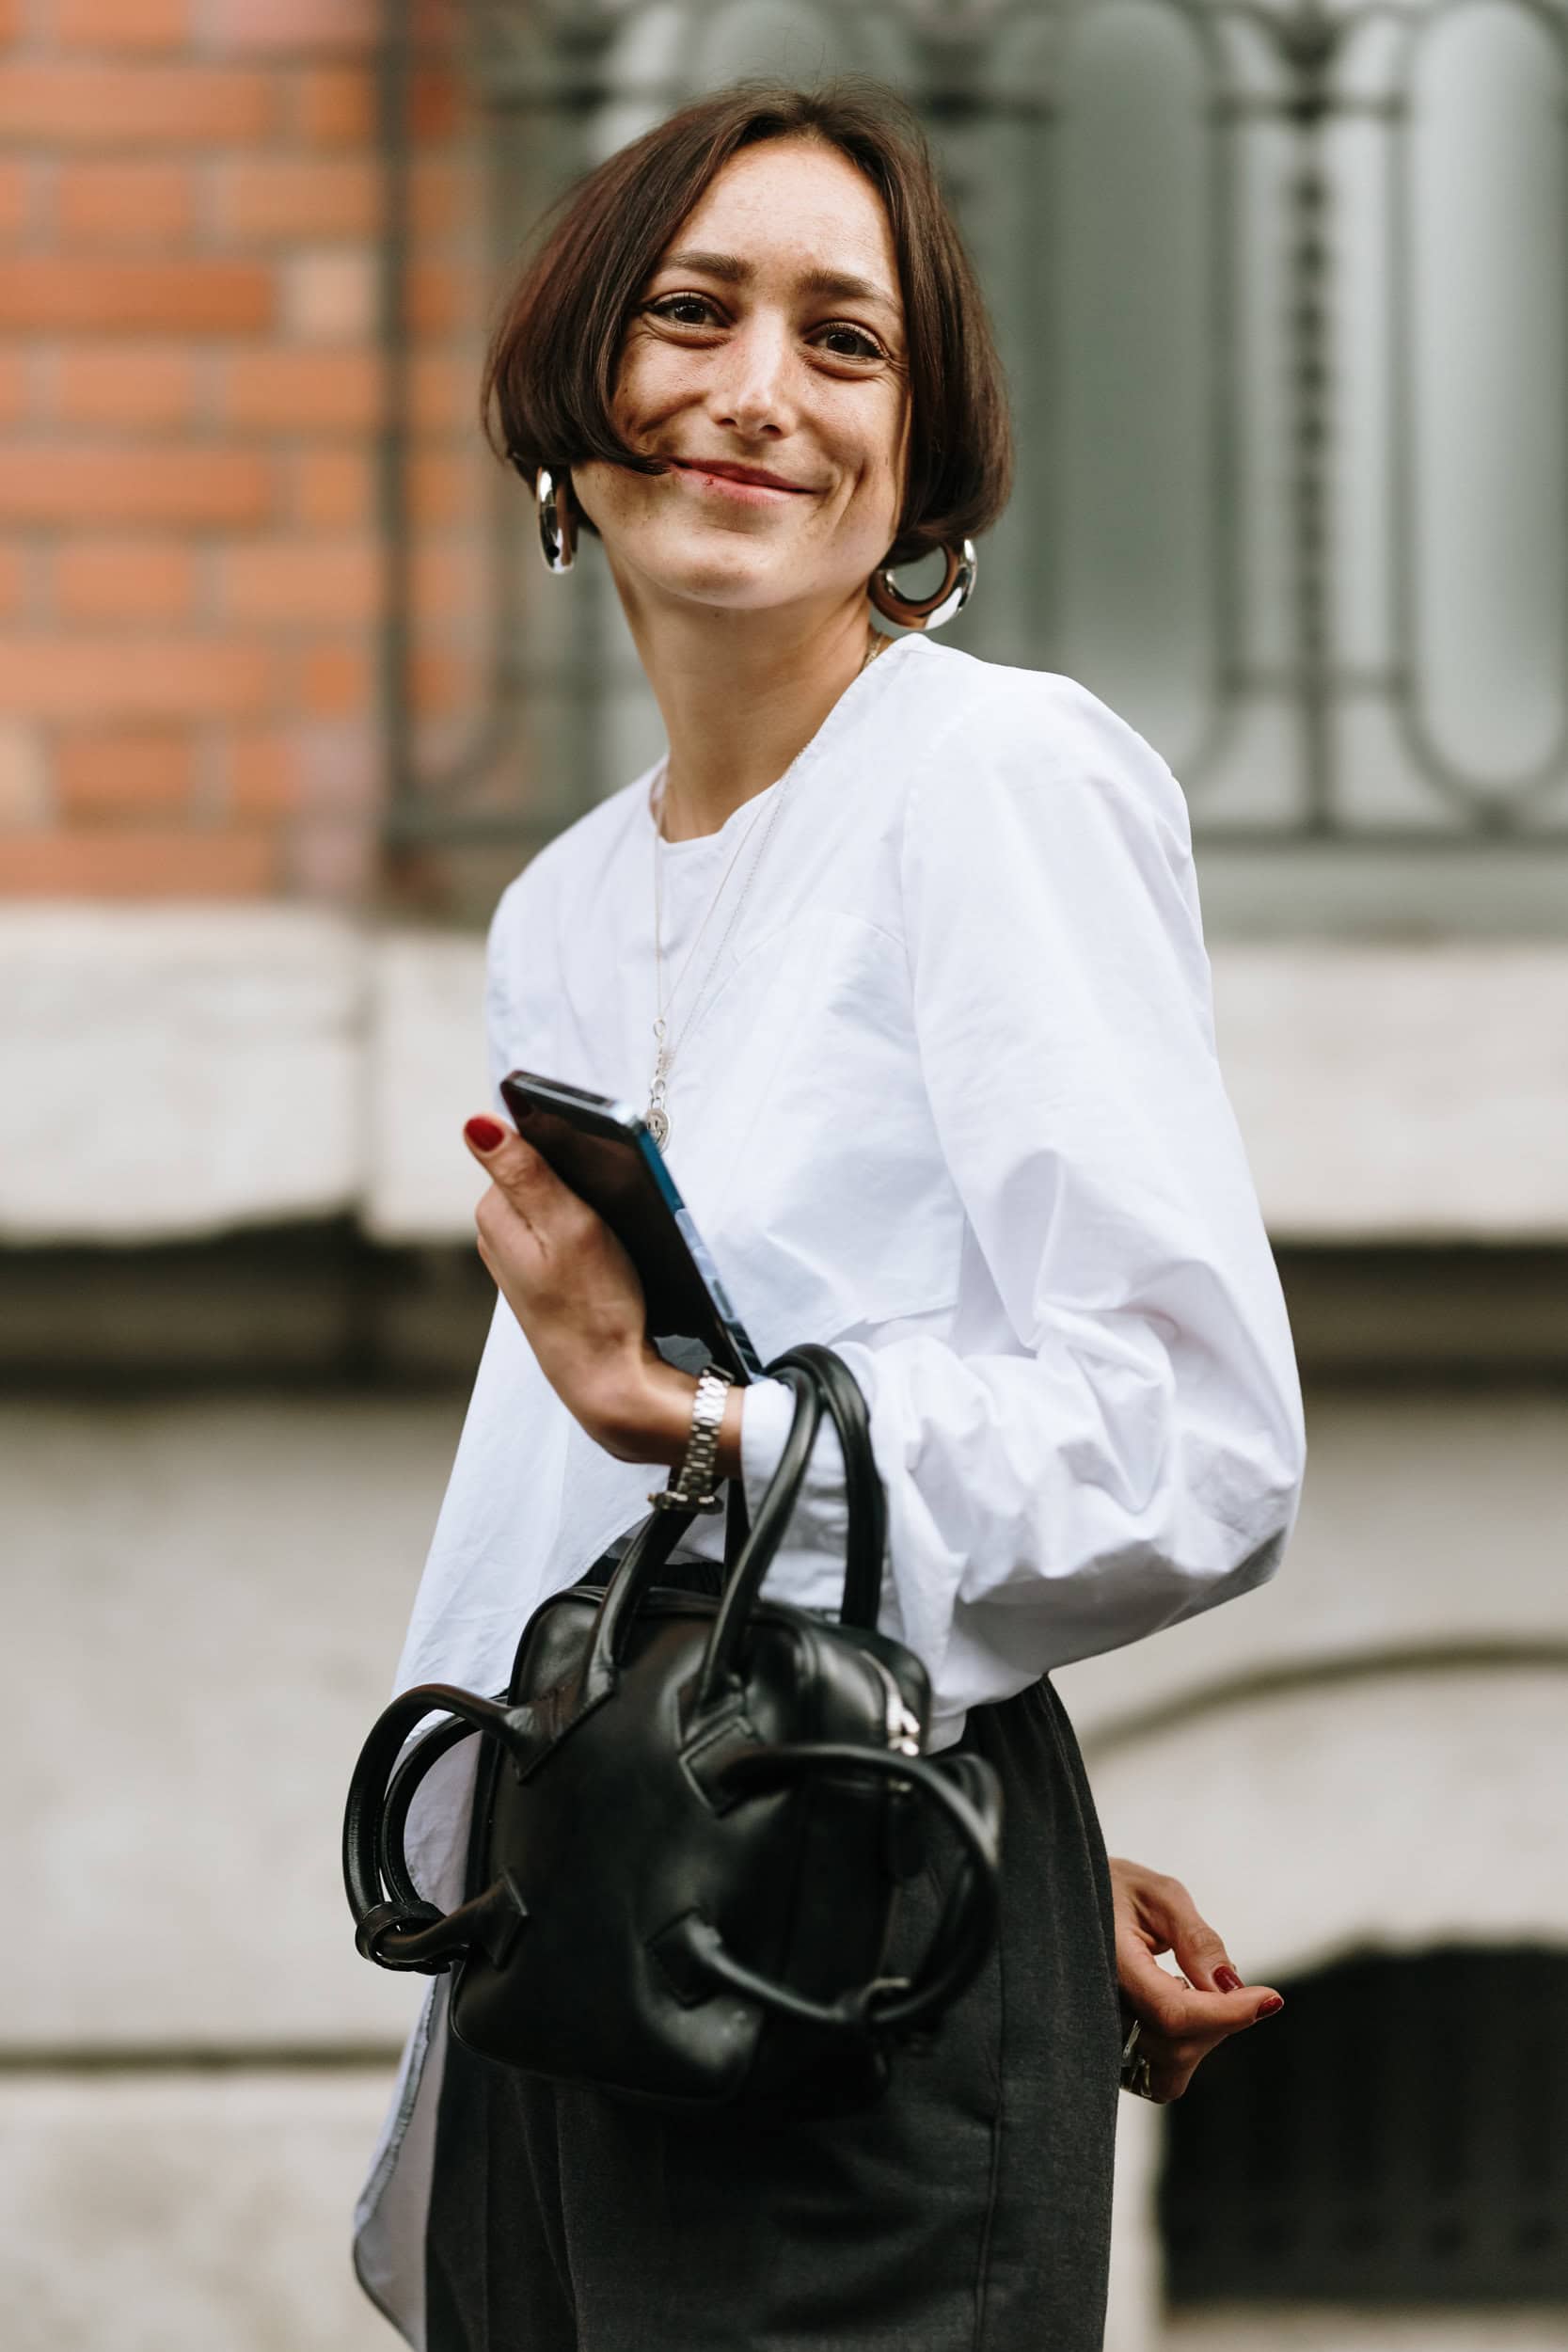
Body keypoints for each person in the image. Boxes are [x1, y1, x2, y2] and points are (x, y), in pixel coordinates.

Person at [352, 79, 1307, 2352]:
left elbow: (1192, 1434)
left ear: (921, 442)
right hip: (588, 1910)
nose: (757, 390)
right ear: (576, 380)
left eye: (843, 338)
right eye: (692, 312)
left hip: (823, 2006)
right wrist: (936, 1804)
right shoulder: (568, 899)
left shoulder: (995, 779)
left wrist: (698, 1421)